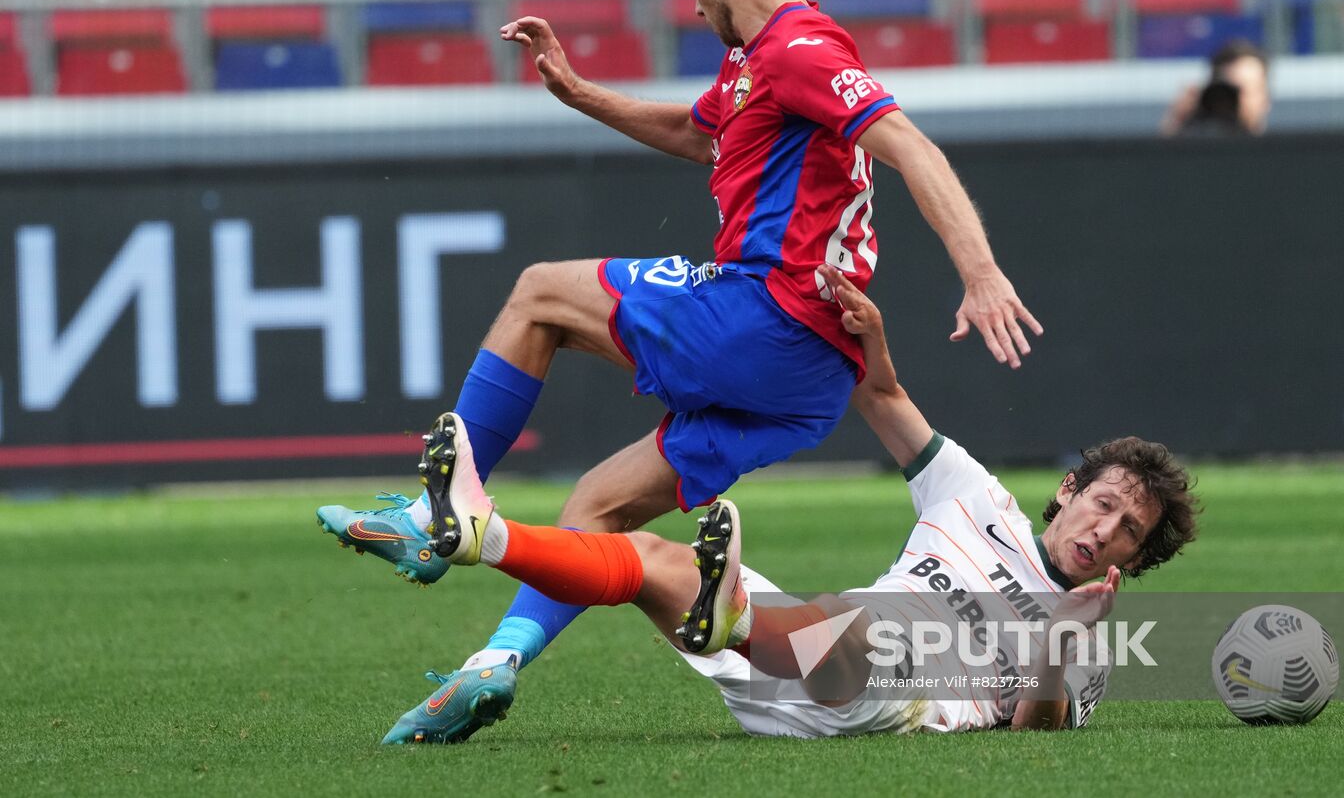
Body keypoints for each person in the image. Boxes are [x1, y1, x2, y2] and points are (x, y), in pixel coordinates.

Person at [319, 0, 1040, 741]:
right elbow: (701, 136)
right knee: (601, 506)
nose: (690, 0)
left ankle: (446, 505)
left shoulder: (800, 49)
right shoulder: (755, 61)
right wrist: (582, 93)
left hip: (766, 315)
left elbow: (909, 144)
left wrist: (982, 270)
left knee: (540, 294)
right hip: (813, 379)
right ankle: (492, 666)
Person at [379, 266, 1199, 743]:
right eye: (1104, 503)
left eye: (1130, 531)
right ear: (1068, 491)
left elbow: (1038, 733)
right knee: (645, 561)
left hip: (887, 693)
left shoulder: (1091, 630)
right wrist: (867, 336)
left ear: (1137, 559)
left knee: (873, 632)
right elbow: (880, 397)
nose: (1106, 529)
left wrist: (1057, 638)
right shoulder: (974, 494)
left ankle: (732, 617)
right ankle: (482, 537)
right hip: (794, 680)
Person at [1161, 40, 1271, 136]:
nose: (1236, 99)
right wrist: (1176, 122)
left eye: (1244, 91)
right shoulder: (1198, 149)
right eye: (1229, 90)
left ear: (1265, 99)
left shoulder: (1280, 156)